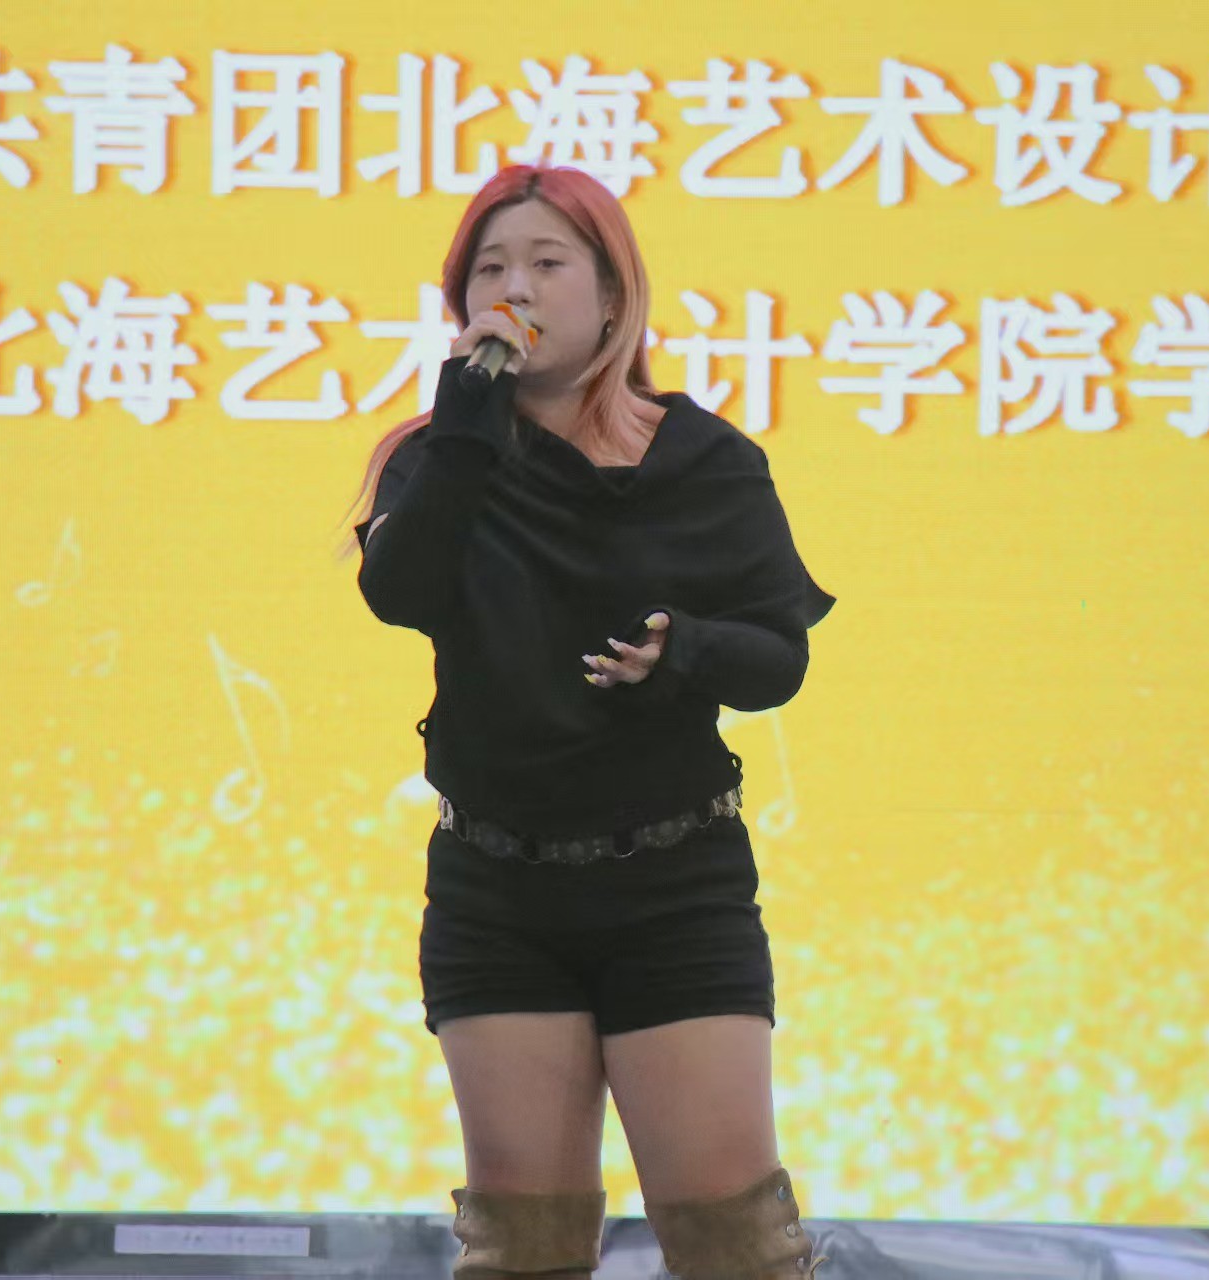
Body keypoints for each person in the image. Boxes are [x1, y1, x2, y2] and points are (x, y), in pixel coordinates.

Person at [344, 163, 836, 1279]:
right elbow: (401, 593)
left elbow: (778, 658)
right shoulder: (436, 460)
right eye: (489, 270)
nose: (513, 288)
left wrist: (684, 651)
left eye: (547, 263)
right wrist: (467, 425)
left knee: (735, 1246)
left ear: (614, 295)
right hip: (497, 890)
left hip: (674, 884)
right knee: (521, 1248)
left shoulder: (705, 460)